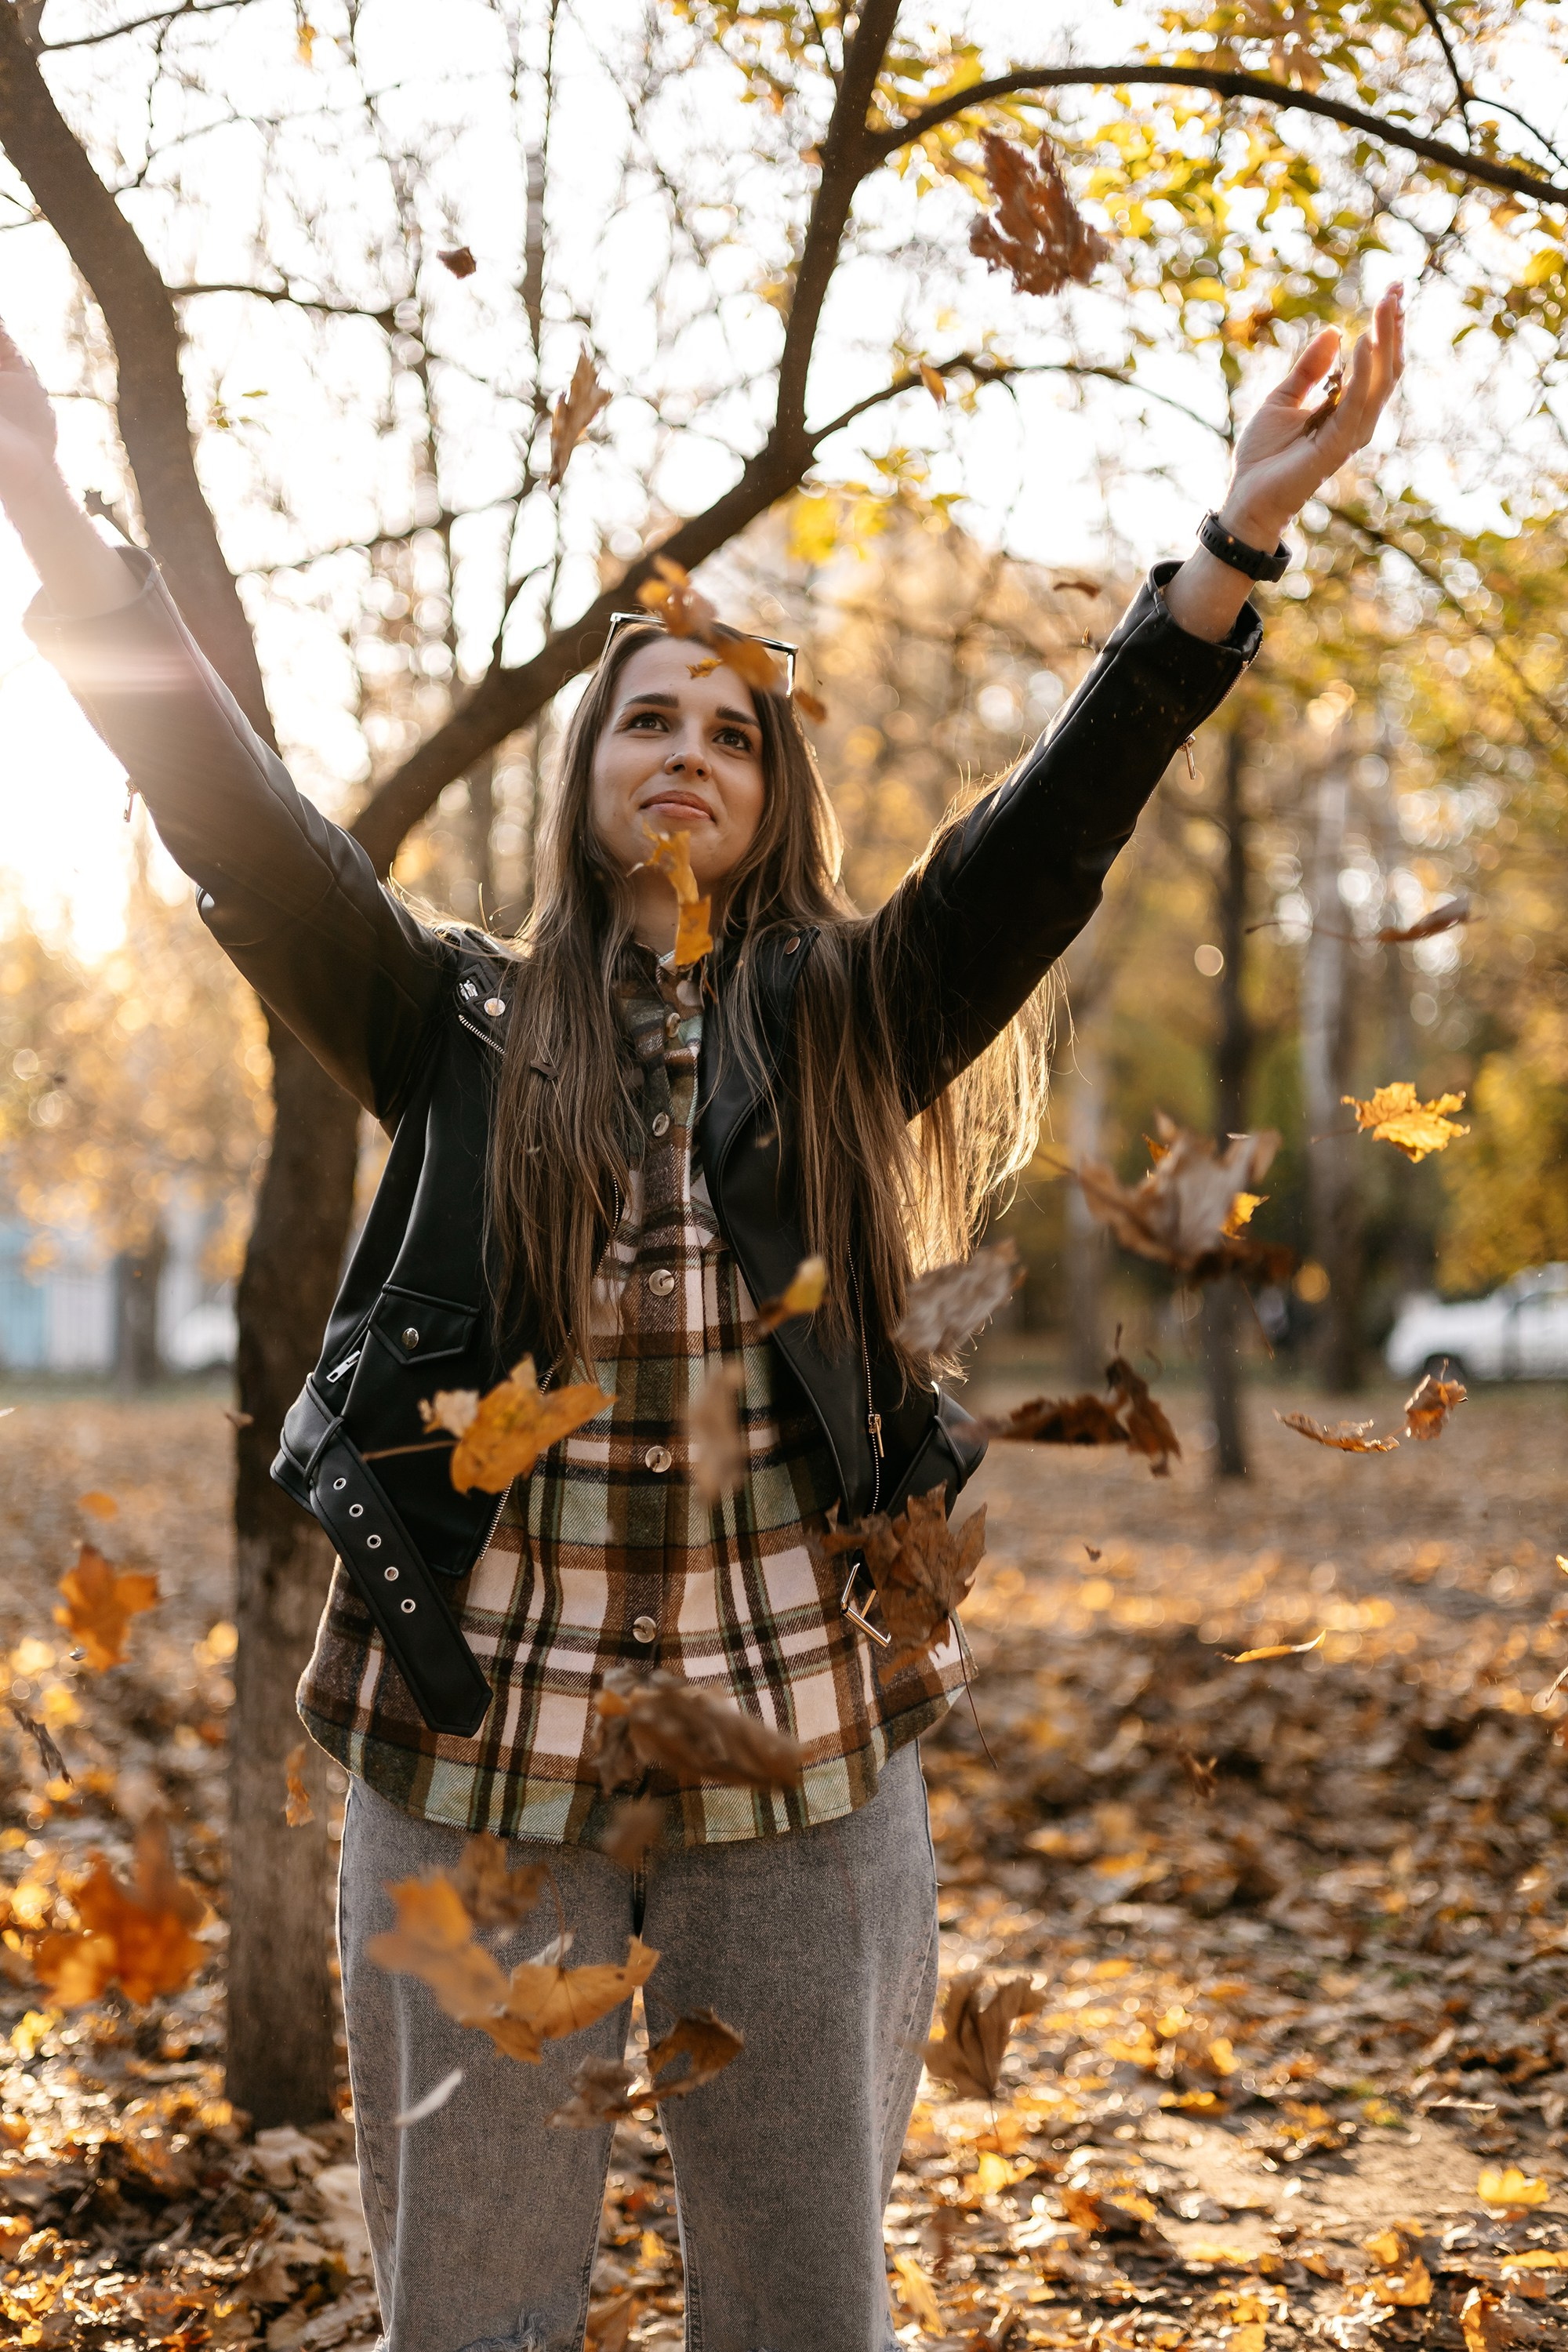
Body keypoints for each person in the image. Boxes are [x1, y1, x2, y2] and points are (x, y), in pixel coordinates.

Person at [0, 290, 1403, 2352]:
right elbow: (237, 813)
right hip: (476, 1765)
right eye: (649, 717)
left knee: (808, 2317)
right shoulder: (449, 1014)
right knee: (465, 2320)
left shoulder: (851, 1018)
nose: (688, 751)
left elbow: (1055, 828)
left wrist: (1230, 550)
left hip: (805, 1773)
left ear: (776, 795)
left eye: (734, 728)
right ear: (583, 783)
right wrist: (47, 512)